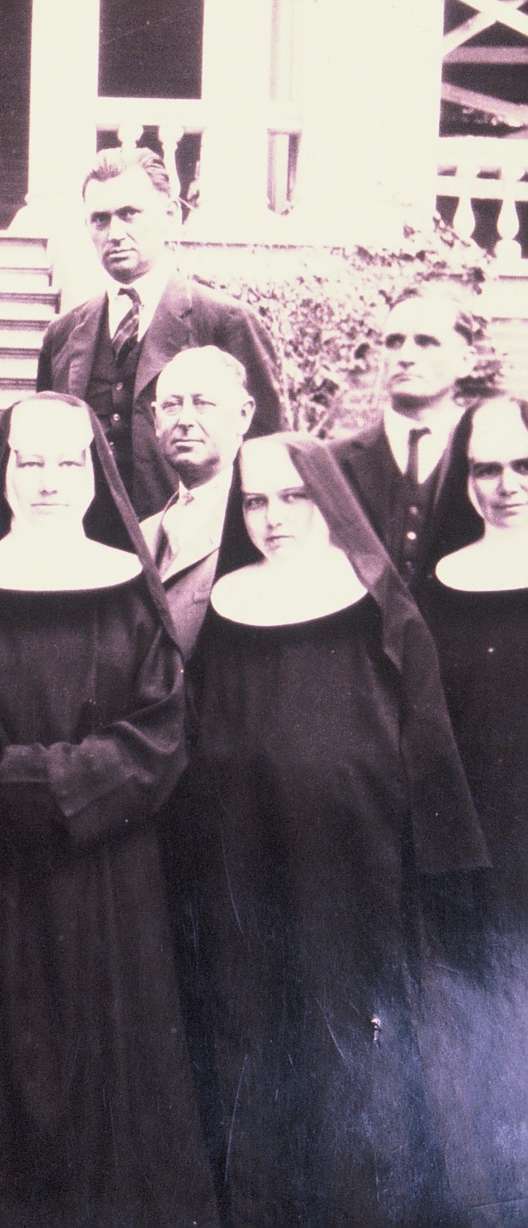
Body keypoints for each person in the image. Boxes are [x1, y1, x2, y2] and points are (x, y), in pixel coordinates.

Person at [0, 393, 217, 1226]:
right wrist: (54, 787)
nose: (49, 479)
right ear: (5, 474)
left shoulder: (129, 589)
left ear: (94, 472)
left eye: (67, 461)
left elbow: (160, 736)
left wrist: (39, 784)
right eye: (31, 461)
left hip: (111, 885)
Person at [184, 433, 487, 1224]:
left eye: (293, 497)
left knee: (355, 1046)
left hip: (360, 868)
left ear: (327, 498)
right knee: (254, 1036)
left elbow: (428, 749)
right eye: (254, 500)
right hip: (243, 869)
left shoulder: (379, 603)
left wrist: (441, 874)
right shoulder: (222, 607)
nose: (273, 516)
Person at [414, 397, 528, 1219]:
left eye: (523, 466)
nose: (504, 484)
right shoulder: (438, 587)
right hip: (477, 844)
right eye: (486, 468)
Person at [36, 147, 281, 516]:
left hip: (189, 548)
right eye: (100, 220)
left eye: (129, 214)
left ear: (170, 216)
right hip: (87, 554)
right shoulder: (64, 334)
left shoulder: (225, 322)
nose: (115, 233)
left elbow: (269, 455)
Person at [330, 287, 491, 584]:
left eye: (426, 342)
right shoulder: (333, 462)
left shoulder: (493, 459)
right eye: (394, 342)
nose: (405, 356)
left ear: (466, 361)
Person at [138, 345, 258, 656]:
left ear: (243, 416)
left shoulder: (261, 525)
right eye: (172, 406)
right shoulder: (143, 533)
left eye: (203, 404)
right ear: (155, 419)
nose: (185, 420)